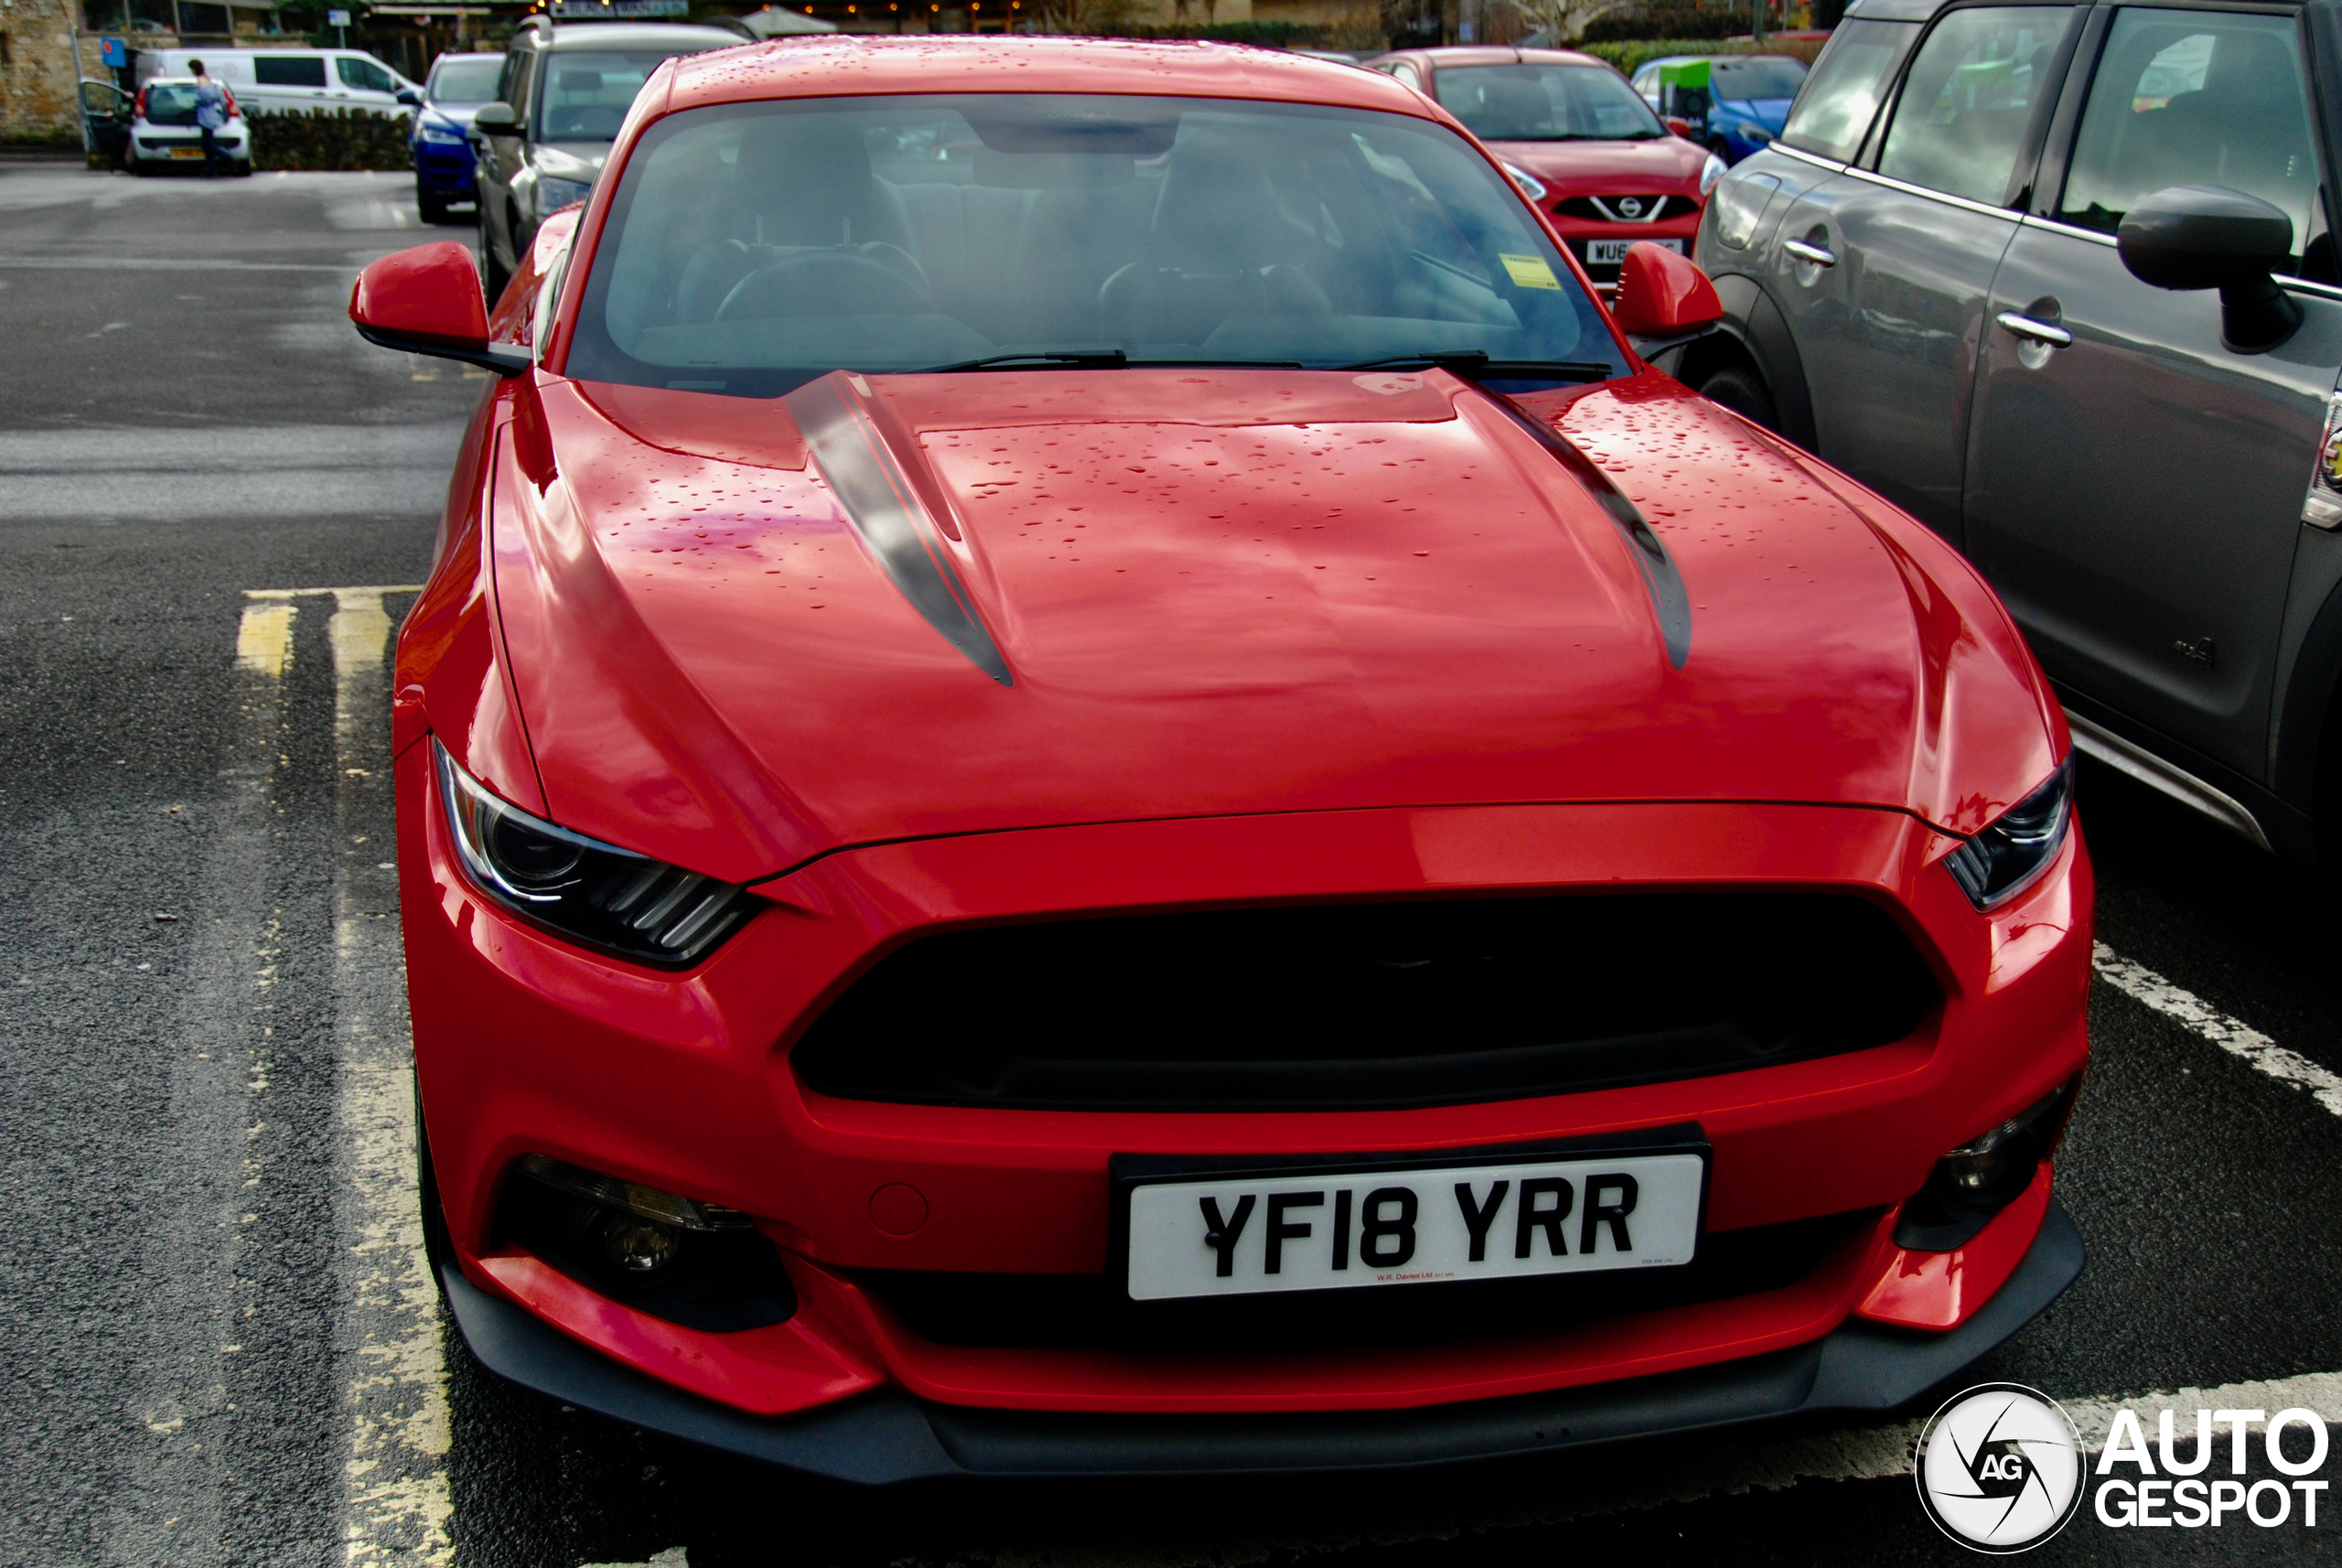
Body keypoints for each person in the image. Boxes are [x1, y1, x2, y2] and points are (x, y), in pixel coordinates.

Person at [189, 60, 228, 177]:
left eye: (191, 69)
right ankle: (212, 169)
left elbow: (207, 96)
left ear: (195, 69)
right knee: (207, 143)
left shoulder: (201, 80)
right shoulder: (207, 78)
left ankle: (227, 158)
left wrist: (196, 101)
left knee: (207, 144)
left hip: (206, 115)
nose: (191, 71)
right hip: (208, 114)